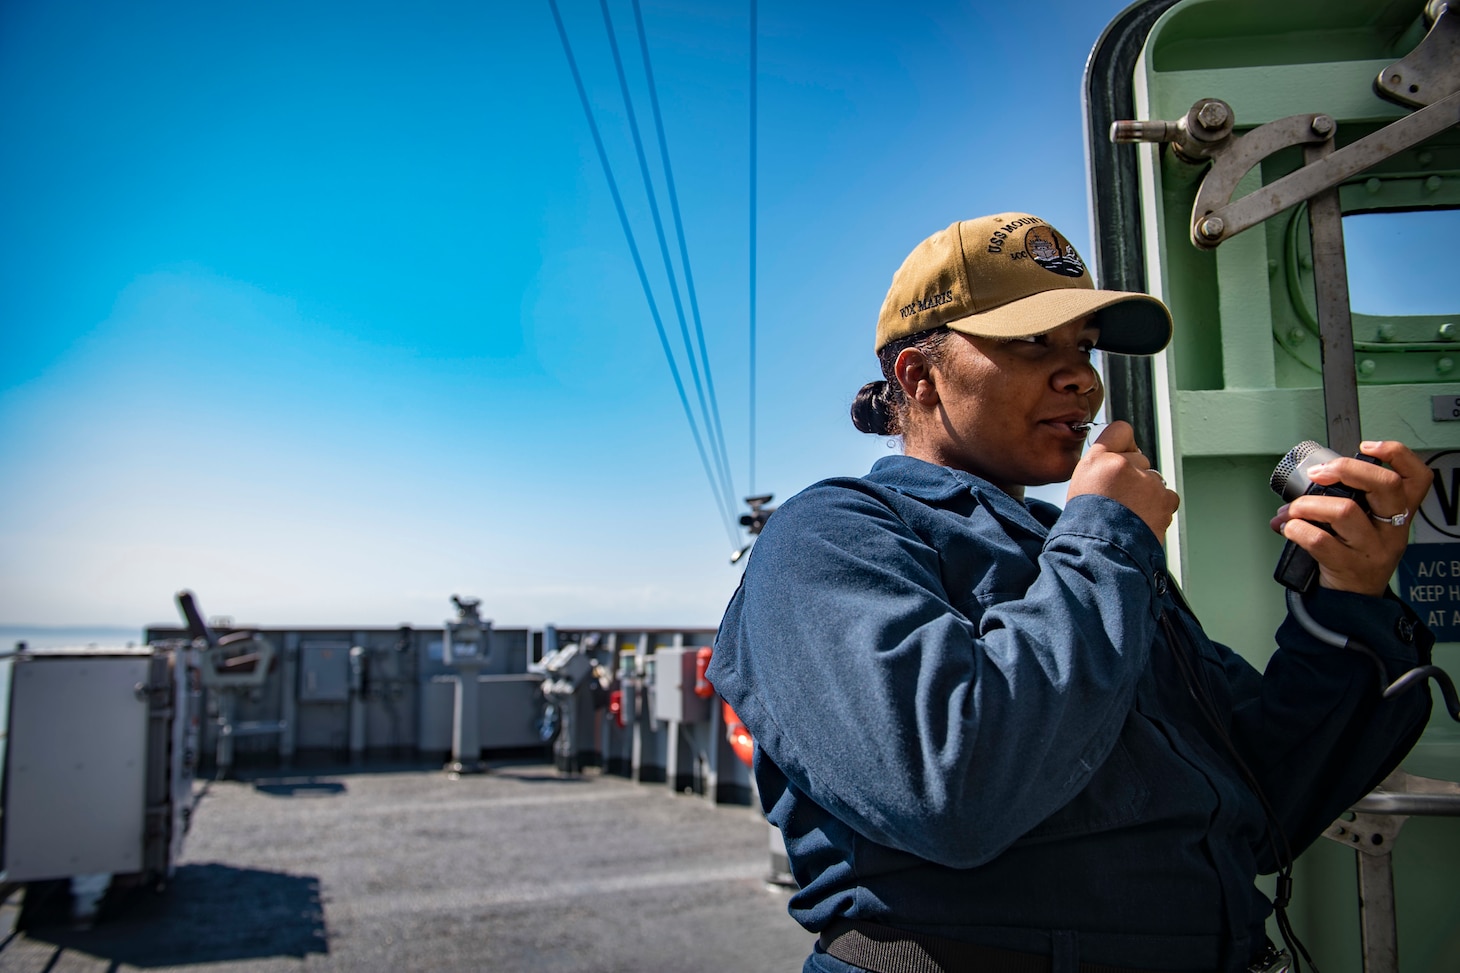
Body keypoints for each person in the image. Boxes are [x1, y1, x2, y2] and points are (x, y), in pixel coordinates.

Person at [706, 213, 1434, 973]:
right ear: (919, 377)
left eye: (1083, 347)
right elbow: (951, 787)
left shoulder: (1083, 552)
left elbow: (1262, 796)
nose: (1081, 377)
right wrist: (1109, 536)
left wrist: (1350, 599)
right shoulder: (829, 534)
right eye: (1031, 342)